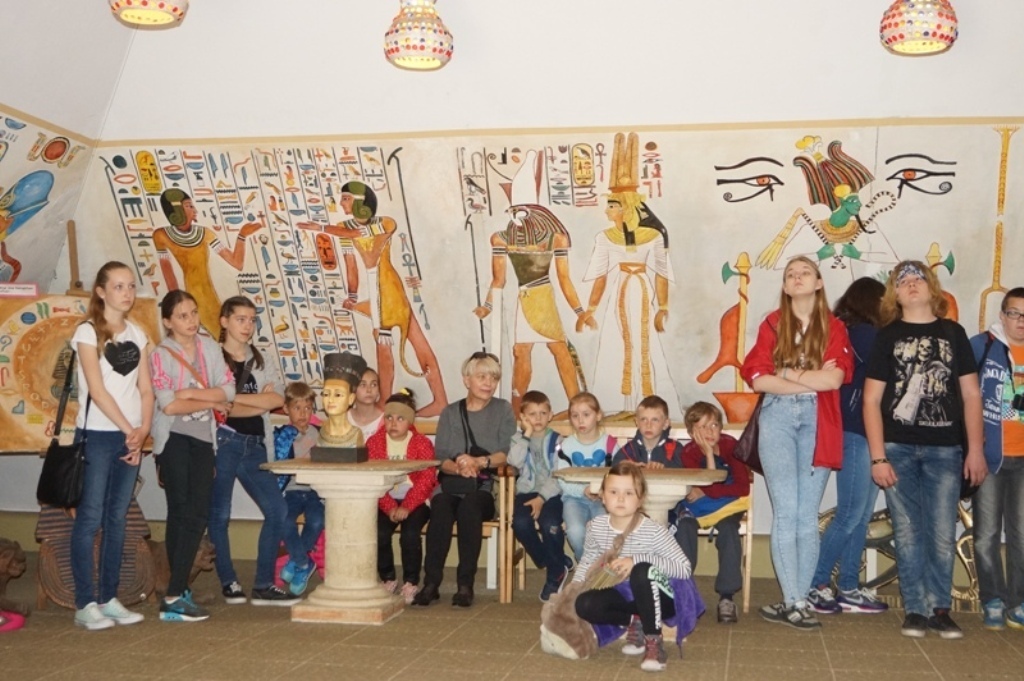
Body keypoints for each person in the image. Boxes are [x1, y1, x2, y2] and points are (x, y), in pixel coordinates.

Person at [864, 260, 986, 639]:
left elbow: (971, 394)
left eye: (918, 278)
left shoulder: (953, 333)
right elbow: (871, 400)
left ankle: (940, 609)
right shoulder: (887, 336)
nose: (912, 283)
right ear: (895, 294)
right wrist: (878, 456)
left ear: (932, 288)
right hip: (897, 447)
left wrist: (976, 450)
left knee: (941, 532)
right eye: (903, 281)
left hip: (945, 449)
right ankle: (915, 608)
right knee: (907, 530)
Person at [740, 255, 852, 630]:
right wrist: (808, 378)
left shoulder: (835, 327)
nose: (798, 277)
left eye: (805, 272)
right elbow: (758, 379)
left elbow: (834, 380)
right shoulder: (772, 324)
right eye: (791, 274)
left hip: (820, 419)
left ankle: (798, 600)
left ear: (819, 282)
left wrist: (785, 371)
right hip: (777, 417)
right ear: (785, 287)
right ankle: (794, 601)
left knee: (807, 515)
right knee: (787, 511)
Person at [299, 183, 447, 416]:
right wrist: (352, 295)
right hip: (374, 290)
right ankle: (384, 402)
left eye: (346, 198)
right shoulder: (343, 227)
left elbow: (360, 236)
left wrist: (321, 227)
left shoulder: (385, 223)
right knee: (383, 347)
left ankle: (439, 400)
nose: (341, 203)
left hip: (389, 287)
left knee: (415, 341)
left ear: (360, 201)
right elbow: (351, 264)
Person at [473, 150, 594, 414]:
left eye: (520, 211)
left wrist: (579, 311)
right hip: (524, 298)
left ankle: (576, 407)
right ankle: (516, 411)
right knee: (521, 352)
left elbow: (564, 279)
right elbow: (499, 279)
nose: (516, 217)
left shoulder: (555, 239)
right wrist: (487, 306)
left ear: (535, 212)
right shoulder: (501, 238)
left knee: (559, 349)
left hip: (543, 297)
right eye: (513, 212)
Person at [70, 261, 154, 630]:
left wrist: (142, 430)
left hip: (130, 435)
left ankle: (109, 597)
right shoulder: (88, 332)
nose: (127, 293)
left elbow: (146, 389)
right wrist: (127, 429)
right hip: (98, 434)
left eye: (131, 286)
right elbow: (98, 390)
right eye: (118, 286)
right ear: (101, 291)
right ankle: (85, 602)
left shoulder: (138, 333)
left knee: (117, 517)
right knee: (90, 517)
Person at [208, 296, 302, 606]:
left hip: (255, 444)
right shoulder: (212, 357)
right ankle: (229, 580)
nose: (247, 326)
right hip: (223, 441)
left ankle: (263, 584)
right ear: (224, 321)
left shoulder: (261, 359)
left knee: (278, 510)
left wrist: (232, 400)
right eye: (241, 319)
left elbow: (276, 400)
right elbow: (215, 406)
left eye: (252, 320)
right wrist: (248, 401)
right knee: (220, 514)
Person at [150, 290, 235, 622]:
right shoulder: (160, 354)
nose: (191, 321)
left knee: (196, 514)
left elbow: (229, 389)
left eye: (194, 313)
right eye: (182, 316)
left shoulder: (209, 347)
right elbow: (169, 405)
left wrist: (189, 393)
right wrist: (211, 400)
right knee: (182, 512)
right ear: (168, 322)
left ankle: (176, 591)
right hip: (173, 439)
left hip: (202, 440)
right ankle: (175, 593)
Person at [580, 132, 677, 417]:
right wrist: (590, 309)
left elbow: (660, 273)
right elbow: (601, 276)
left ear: (627, 207)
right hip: (621, 292)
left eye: (612, 205)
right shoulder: (604, 237)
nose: (607, 211)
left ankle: (646, 402)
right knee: (619, 341)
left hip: (642, 291)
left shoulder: (653, 235)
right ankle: (621, 405)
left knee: (644, 340)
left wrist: (663, 306)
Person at [809, 277, 889, 615]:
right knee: (851, 514)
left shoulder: (848, 331)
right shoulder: (864, 334)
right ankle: (816, 583)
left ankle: (848, 587)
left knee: (858, 515)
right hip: (856, 430)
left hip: (861, 431)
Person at [412, 352, 516, 608]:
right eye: (482, 376)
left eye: (494, 378)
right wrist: (459, 467)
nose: (489, 383)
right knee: (441, 508)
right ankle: (431, 583)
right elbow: (440, 457)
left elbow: (507, 452)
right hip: (452, 482)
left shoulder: (503, 409)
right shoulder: (450, 412)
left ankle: (465, 584)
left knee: (470, 508)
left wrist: (480, 462)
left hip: (485, 486)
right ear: (466, 380)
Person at [573, 462, 693, 673]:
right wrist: (574, 586)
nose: (620, 499)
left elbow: (684, 568)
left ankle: (654, 641)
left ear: (640, 499)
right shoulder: (596, 527)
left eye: (628, 493)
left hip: (662, 599)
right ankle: (635, 621)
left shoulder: (654, 531)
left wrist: (636, 559)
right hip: (626, 595)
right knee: (583, 603)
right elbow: (589, 558)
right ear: (602, 496)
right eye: (613, 492)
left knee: (641, 570)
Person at [970, 287, 1024, 630]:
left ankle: (1019, 601)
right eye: (1015, 313)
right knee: (986, 533)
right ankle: (992, 598)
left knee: (1022, 534)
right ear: (1002, 315)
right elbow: (964, 396)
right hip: (990, 457)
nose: (1021, 322)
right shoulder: (982, 346)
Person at [675, 401, 751, 624]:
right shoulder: (689, 453)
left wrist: (706, 490)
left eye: (714, 425)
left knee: (729, 530)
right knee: (684, 527)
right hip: (698, 509)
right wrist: (708, 456)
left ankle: (727, 596)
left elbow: (742, 487)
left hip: (728, 507)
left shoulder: (731, 446)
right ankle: (683, 590)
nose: (709, 432)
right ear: (691, 433)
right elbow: (693, 489)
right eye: (702, 427)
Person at [154, 188, 260, 337]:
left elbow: (237, 262)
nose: (195, 210)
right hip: (187, 302)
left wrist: (242, 235)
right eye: (189, 206)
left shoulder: (205, 233)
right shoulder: (161, 235)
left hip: (209, 300)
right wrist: (179, 307)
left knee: (219, 339)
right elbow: (169, 275)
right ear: (176, 210)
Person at [367, 389, 437, 604]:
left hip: (415, 501)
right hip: (385, 499)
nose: (393, 423)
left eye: (400, 418)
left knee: (410, 535)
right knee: (378, 532)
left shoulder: (421, 443)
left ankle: (410, 582)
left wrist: (407, 506)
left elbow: (426, 479)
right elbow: (373, 478)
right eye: (389, 417)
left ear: (410, 421)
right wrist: (389, 507)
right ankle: (388, 577)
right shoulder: (374, 443)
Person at [506, 390, 571, 601]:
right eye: (532, 414)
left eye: (543, 413)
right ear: (523, 417)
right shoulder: (518, 439)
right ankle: (553, 560)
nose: (538, 418)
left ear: (550, 415)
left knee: (550, 524)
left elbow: (560, 474)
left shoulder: (558, 440)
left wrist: (542, 498)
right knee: (520, 523)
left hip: (552, 493)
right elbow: (514, 462)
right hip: (527, 492)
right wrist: (526, 434)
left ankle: (555, 575)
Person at [554, 391, 619, 561]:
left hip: (603, 499)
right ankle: (586, 565)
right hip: (574, 498)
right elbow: (562, 478)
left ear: (598, 416)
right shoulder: (566, 446)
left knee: (604, 532)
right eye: (575, 416)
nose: (580, 420)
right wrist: (583, 490)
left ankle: (599, 568)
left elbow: (618, 475)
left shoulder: (609, 444)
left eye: (586, 414)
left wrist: (602, 490)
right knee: (576, 531)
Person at [274, 382, 324, 591]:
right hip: (292, 491)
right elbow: (277, 463)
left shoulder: (320, 433)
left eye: (308, 408)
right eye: (297, 408)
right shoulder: (282, 435)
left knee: (317, 520)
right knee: (285, 521)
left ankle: (296, 561)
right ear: (286, 409)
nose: (303, 413)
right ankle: (303, 563)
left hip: (315, 491)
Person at [612, 395, 680, 468]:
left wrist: (664, 468)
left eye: (655, 420)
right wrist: (625, 466)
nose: (648, 425)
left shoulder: (675, 449)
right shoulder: (629, 449)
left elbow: (683, 470)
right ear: (637, 422)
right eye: (643, 419)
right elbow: (614, 467)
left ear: (665, 424)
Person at [318, 351, 369, 449]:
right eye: (326, 394)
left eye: (338, 395)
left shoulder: (356, 435)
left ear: (351, 398)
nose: (330, 400)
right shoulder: (319, 432)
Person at [350, 367, 384, 441]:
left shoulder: (386, 421)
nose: (369, 390)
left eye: (373, 385)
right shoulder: (344, 418)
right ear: (353, 389)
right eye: (363, 385)